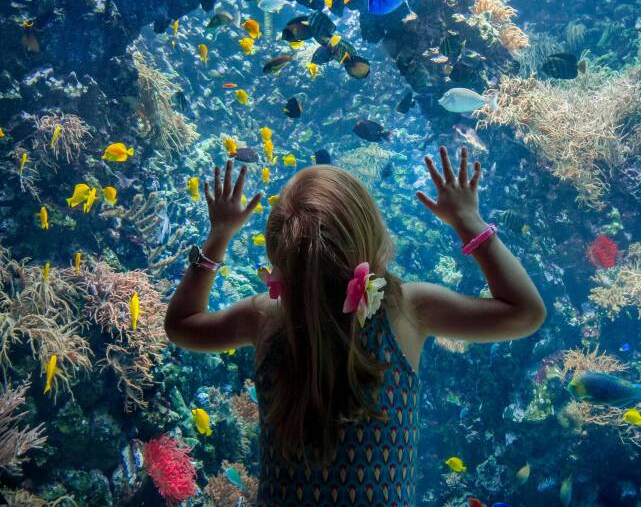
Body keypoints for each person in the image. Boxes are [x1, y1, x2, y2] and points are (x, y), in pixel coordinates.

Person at [165, 146, 546, 506]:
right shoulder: (405, 308)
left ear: (277, 251)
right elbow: (525, 313)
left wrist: (219, 236)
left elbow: (182, 325)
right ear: (373, 233)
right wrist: (468, 221)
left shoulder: (264, 316)